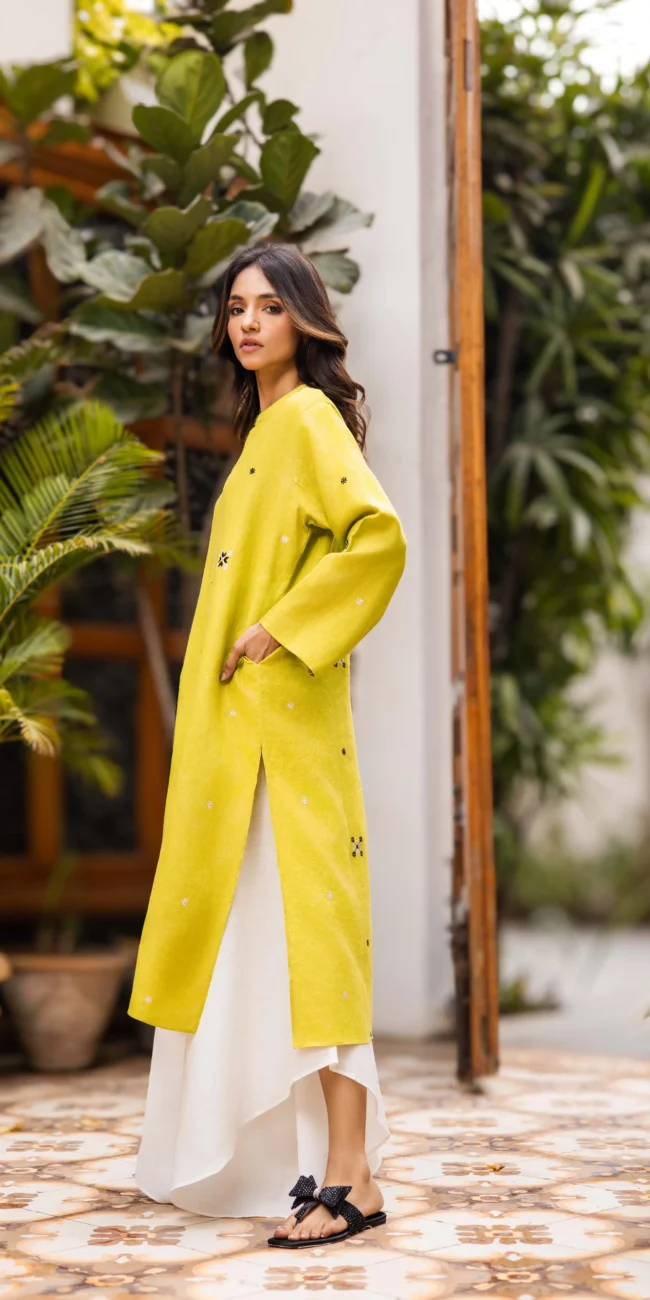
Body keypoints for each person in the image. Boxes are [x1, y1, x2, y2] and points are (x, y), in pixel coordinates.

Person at [128, 243, 407, 1248]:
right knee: (274, 948)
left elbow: (376, 538)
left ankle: (352, 1177)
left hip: (284, 731)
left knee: (317, 945)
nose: (248, 323)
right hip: (244, 735)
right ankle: (325, 1165)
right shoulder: (267, 428)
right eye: (236, 308)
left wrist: (281, 628)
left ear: (304, 320)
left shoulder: (307, 419)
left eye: (269, 307)